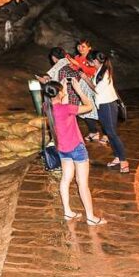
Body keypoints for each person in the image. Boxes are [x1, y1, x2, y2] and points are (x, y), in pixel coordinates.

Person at [42, 78, 106, 225]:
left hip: (62, 149)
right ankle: (91, 217)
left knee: (66, 179)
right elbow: (89, 106)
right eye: (62, 90)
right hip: (77, 148)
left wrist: (62, 90)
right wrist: (78, 90)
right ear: (58, 93)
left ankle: (68, 212)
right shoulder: (66, 109)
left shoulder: (47, 107)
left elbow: (61, 108)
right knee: (82, 183)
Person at [90, 51, 128, 173]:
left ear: (95, 61)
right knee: (108, 132)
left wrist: (85, 79)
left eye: (90, 61)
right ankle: (117, 157)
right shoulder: (99, 71)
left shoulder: (105, 73)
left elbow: (96, 89)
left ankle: (124, 161)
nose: (89, 63)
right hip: (102, 105)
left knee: (112, 133)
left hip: (108, 105)